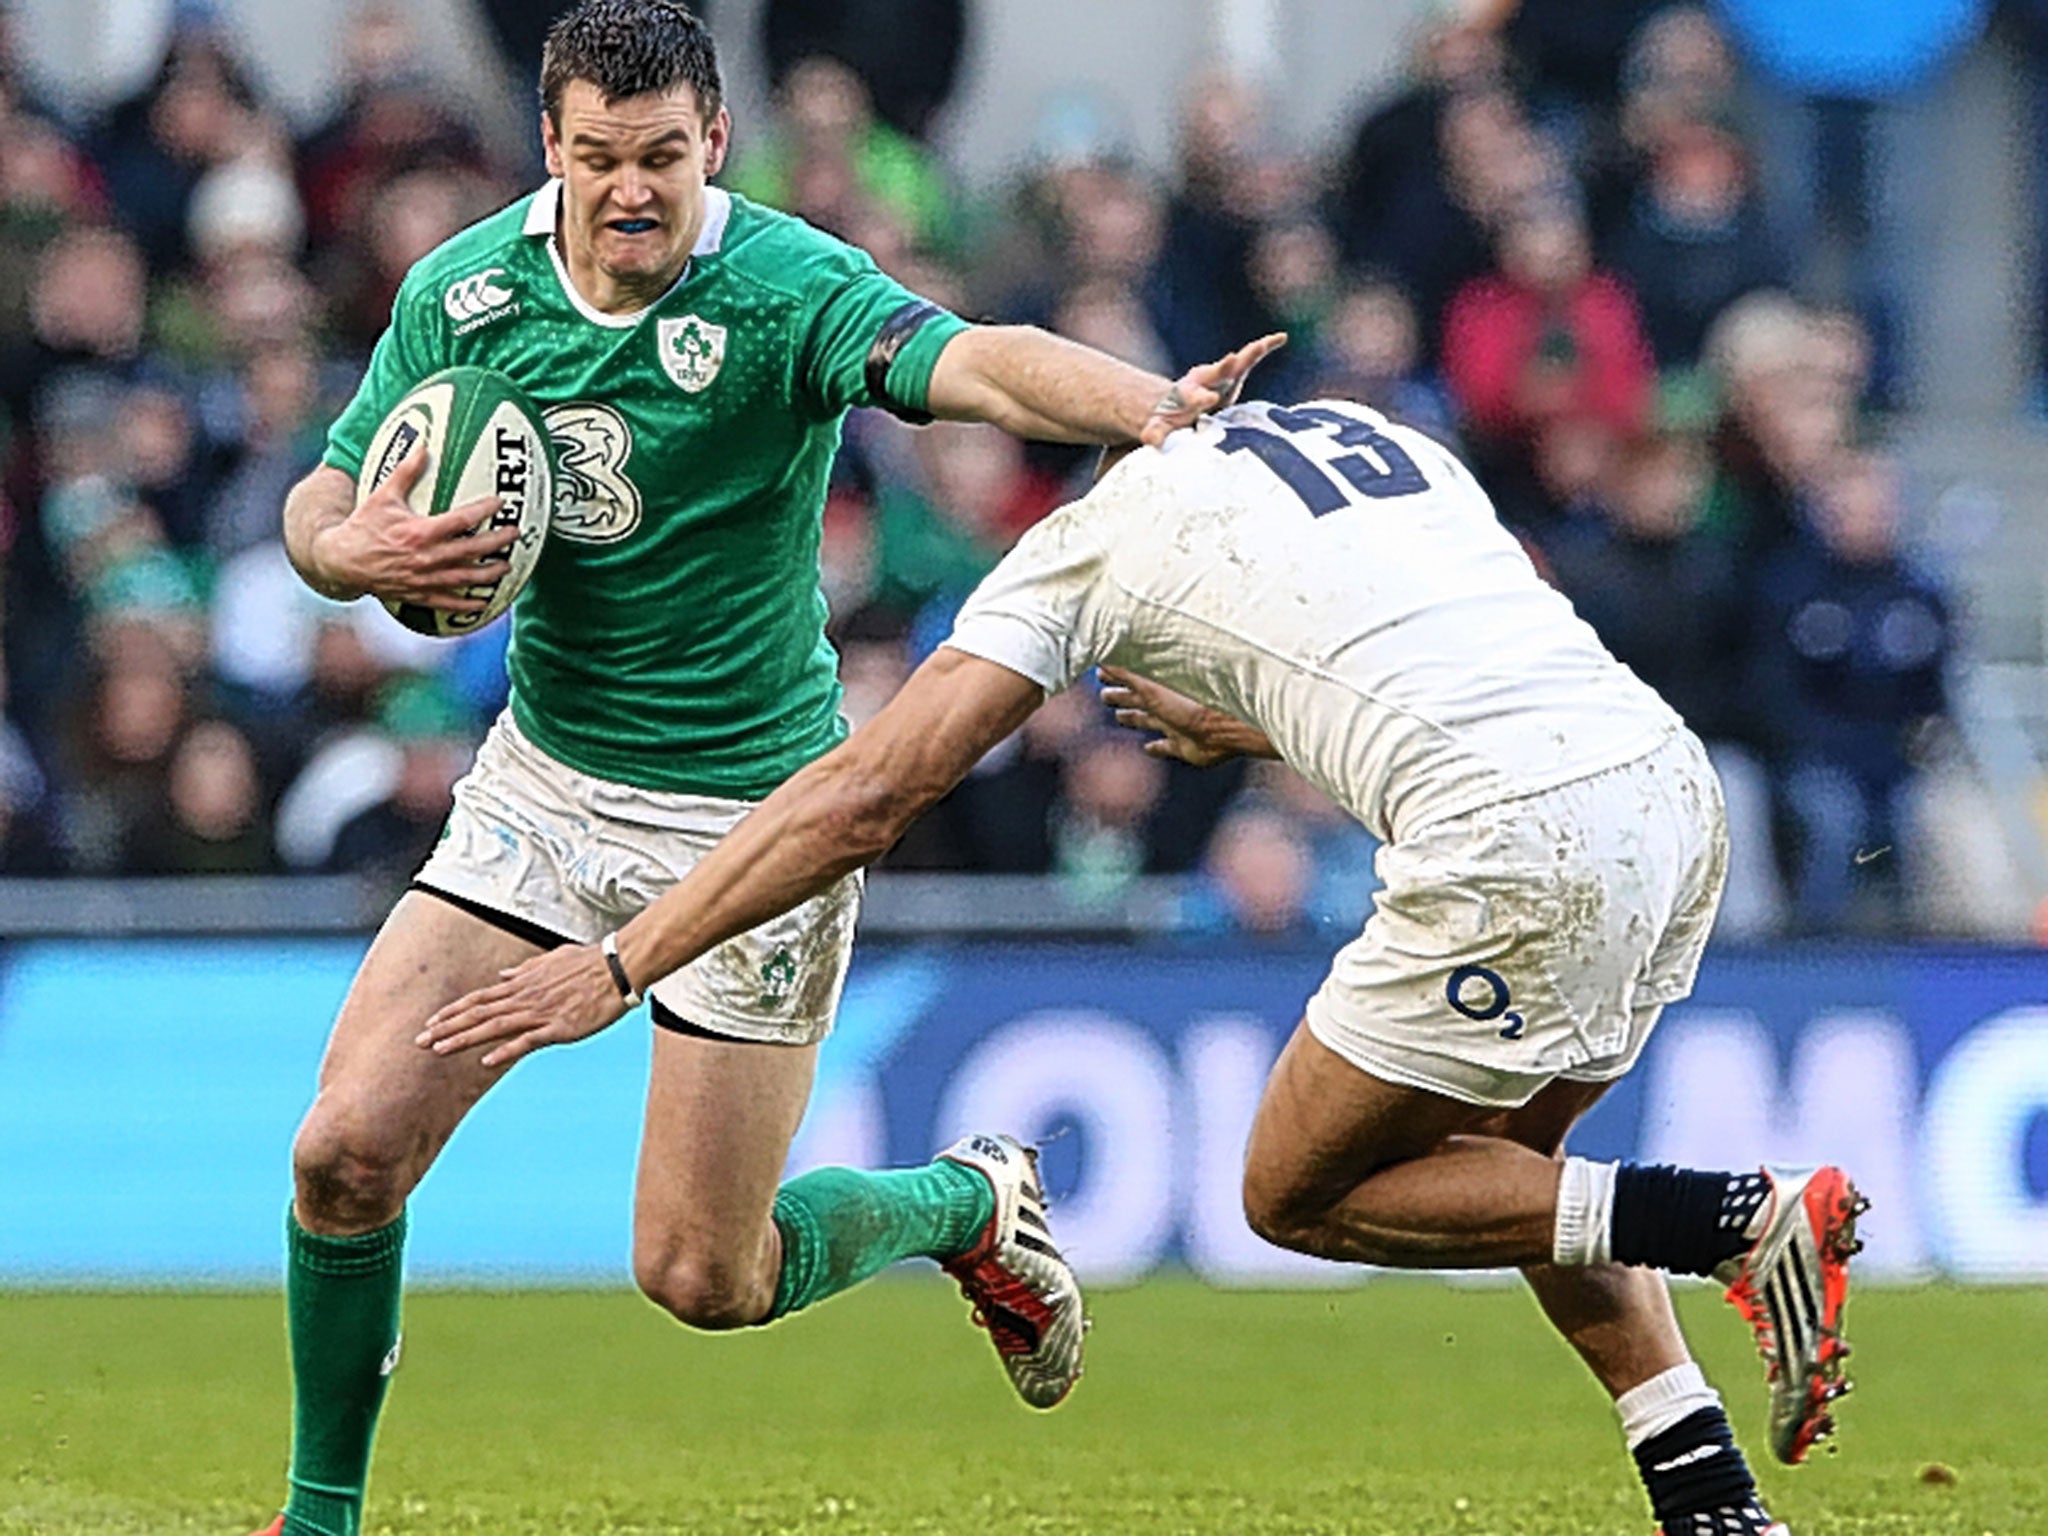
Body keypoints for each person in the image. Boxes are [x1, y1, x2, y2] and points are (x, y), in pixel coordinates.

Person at [426, 396, 1868, 1536]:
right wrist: (1255, 718)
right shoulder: (1368, 431)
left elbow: (870, 795)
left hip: (1510, 832)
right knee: (1515, 1182)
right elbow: (1422, 641)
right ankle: (1709, 1498)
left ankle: (1739, 1217)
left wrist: (625, 960)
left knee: (1296, 1193)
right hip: (1664, 786)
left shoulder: (1083, 545)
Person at [253, 4, 1274, 1533]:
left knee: (700, 1276)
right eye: (599, 158)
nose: (632, 191)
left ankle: (966, 1202)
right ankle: (318, 1520)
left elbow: (969, 356)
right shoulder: (464, 293)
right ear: (552, 148)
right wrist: (350, 547)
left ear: (713, 143)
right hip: (543, 785)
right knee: (341, 1157)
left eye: (662, 156)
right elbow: (320, 497)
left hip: (750, 817)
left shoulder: (783, 284)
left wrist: (1146, 407)